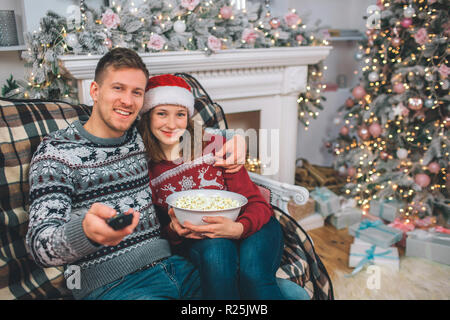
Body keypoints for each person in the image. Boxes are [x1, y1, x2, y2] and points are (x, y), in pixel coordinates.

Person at [25, 48, 245, 300]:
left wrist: (235, 139)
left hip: (177, 268)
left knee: (285, 294)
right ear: (95, 91)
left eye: (136, 92)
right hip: (112, 285)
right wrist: (84, 233)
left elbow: (187, 133)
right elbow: (38, 246)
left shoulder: (139, 137)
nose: (127, 101)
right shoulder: (56, 152)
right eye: (118, 88)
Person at [137, 74, 291, 300]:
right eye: (162, 113)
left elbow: (256, 202)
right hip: (205, 240)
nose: (171, 124)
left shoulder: (215, 148)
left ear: (187, 117)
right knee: (218, 256)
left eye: (180, 114)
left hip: (254, 226)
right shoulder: (146, 170)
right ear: (148, 116)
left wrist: (238, 228)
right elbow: (162, 229)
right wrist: (174, 231)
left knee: (253, 276)